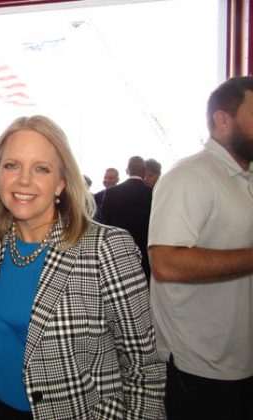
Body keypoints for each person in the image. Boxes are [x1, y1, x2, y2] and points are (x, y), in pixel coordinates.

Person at [0, 115, 165, 419]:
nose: (23, 180)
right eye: (11, 165)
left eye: (41, 168)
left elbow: (144, 367)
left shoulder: (105, 247)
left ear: (61, 182)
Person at [149, 76, 253, 420]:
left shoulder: (243, 178)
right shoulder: (190, 176)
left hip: (238, 358)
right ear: (223, 119)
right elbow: (166, 263)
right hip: (200, 366)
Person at [99, 156, 153, 281]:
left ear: (127, 171)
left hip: (115, 255)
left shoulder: (111, 193)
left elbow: (103, 223)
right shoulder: (152, 194)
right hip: (145, 256)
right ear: (144, 171)